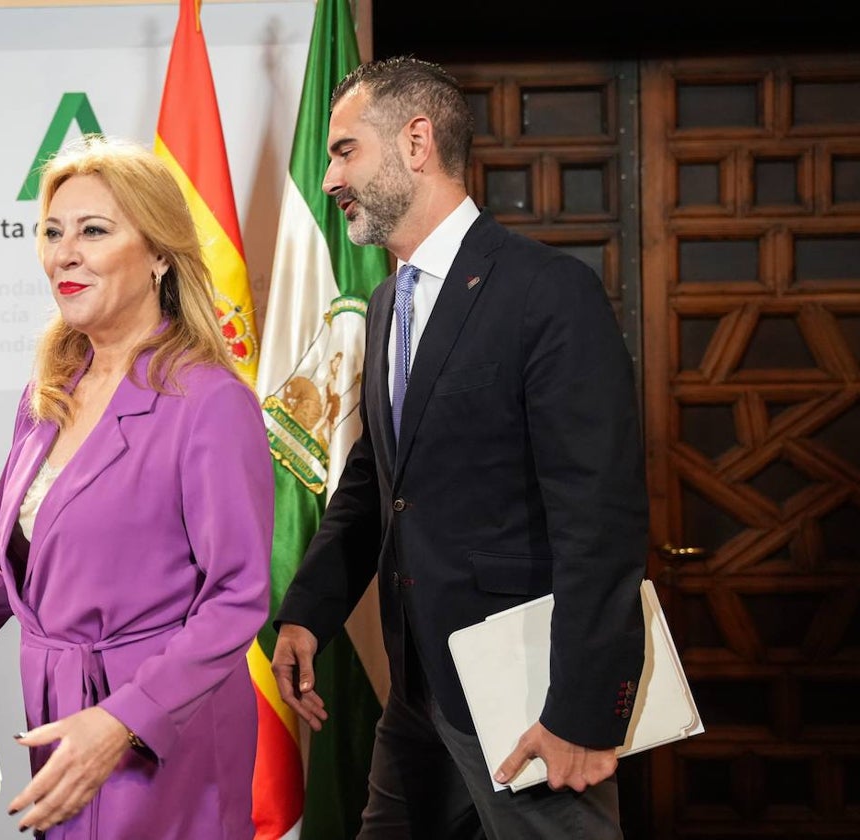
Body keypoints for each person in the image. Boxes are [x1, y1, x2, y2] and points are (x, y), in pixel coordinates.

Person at [270, 57, 649, 839]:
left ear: (416, 142)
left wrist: (581, 710)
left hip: (527, 697)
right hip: (417, 688)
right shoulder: (384, 302)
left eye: (345, 151)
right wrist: (308, 611)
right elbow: (379, 479)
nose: (331, 178)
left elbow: (599, 520)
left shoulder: (547, 294)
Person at [0, 135, 274, 839]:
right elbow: (11, 564)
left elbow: (236, 600)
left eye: (93, 231)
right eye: (52, 232)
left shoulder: (209, 401)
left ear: (160, 255)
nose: (64, 253)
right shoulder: (48, 392)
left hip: (162, 729)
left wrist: (122, 721)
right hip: (56, 714)